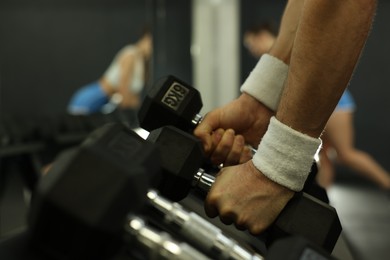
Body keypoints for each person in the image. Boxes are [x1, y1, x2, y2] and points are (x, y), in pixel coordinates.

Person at [193, 0, 377, 235]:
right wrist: (259, 103)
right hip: (315, 97)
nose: (250, 47)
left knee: (346, 154)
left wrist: (275, 169)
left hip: (331, 99)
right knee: (331, 159)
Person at [243, 22, 390, 191]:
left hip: (335, 103)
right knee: (322, 156)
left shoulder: (285, 51)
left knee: (345, 155)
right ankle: (322, 203)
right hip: (319, 105)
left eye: (250, 43)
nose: (251, 49)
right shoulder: (276, 57)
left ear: (261, 36)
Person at [67, 29, 152, 115]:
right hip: (92, 98)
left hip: (104, 103)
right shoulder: (130, 54)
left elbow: (134, 96)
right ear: (146, 38)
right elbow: (124, 90)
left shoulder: (142, 62)